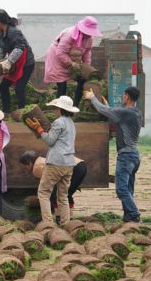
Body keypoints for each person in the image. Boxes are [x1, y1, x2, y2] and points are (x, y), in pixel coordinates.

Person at [84, 86, 142, 222]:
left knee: (121, 189)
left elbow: (103, 111)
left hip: (126, 157)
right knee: (128, 189)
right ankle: (128, 217)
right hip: (134, 156)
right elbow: (114, 116)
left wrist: (92, 97)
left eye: (123, 95)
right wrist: (108, 107)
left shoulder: (126, 112)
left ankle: (134, 214)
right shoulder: (136, 113)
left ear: (127, 96)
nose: (123, 98)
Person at [25, 96, 79, 225]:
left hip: (56, 162)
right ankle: (65, 224)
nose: (54, 110)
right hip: (69, 163)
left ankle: (48, 223)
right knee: (63, 196)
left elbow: (50, 141)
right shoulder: (71, 123)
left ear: (60, 109)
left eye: (55, 108)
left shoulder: (59, 122)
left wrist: (39, 129)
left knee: (43, 193)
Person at [44, 16, 102, 107]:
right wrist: (71, 63)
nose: (88, 35)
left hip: (73, 58)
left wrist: (86, 68)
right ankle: (60, 109)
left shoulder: (89, 39)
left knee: (82, 79)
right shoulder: (69, 35)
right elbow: (60, 52)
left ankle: (75, 107)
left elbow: (87, 53)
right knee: (62, 85)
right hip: (56, 57)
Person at [19, 150, 87, 219]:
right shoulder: (41, 160)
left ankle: (60, 217)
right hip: (80, 165)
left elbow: (47, 186)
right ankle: (67, 217)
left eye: (25, 166)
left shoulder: (36, 168)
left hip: (75, 167)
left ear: (30, 163)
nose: (26, 169)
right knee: (65, 194)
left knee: (58, 194)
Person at [0, 9, 35, 115]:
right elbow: (2, 48)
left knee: (19, 88)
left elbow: (19, 48)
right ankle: (6, 111)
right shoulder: (0, 33)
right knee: (3, 86)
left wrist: (9, 61)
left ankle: (23, 113)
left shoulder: (14, 32)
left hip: (26, 64)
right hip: (14, 64)